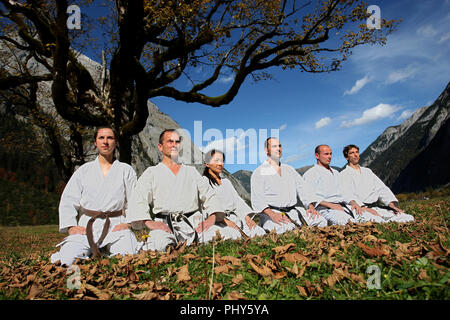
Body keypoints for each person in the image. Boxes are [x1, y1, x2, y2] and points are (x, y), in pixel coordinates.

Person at [126, 129, 240, 252]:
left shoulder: (191, 172)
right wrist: (149, 223)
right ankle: (169, 246)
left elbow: (209, 195)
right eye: (170, 141)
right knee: (158, 243)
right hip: (165, 225)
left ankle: (195, 243)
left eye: (177, 142)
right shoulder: (151, 173)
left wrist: (211, 218)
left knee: (228, 235)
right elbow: (138, 199)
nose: (174, 145)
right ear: (160, 147)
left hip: (194, 223)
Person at [50, 126, 139, 266]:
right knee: (68, 258)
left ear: (116, 142)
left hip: (116, 224)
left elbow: (134, 200)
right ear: (95, 143)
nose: (105, 142)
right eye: (101, 138)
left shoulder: (125, 170)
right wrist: (71, 226)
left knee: (129, 255)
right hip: (87, 225)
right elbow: (69, 199)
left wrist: (128, 223)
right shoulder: (83, 171)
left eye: (110, 138)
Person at [250, 137, 327, 234]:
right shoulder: (259, 172)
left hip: (294, 211)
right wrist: (272, 214)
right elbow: (257, 199)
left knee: (321, 220)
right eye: (274, 146)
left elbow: (303, 189)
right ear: (266, 150)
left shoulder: (289, 169)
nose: (278, 149)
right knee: (286, 230)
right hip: (272, 214)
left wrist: (311, 207)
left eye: (280, 146)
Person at [339, 144, 414, 223]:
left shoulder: (367, 171)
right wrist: (364, 207)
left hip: (375, 207)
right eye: (352, 153)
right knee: (376, 221)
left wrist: (391, 203)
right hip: (359, 208)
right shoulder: (343, 174)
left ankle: (389, 220)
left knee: (408, 217)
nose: (355, 155)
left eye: (357, 152)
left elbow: (381, 188)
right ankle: (386, 221)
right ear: (346, 157)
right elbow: (347, 194)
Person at [203, 149, 266, 238]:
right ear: (207, 163)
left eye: (222, 161)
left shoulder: (226, 182)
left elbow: (238, 202)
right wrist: (224, 220)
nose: (220, 164)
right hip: (219, 221)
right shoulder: (203, 182)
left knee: (259, 232)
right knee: (231, 235)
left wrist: (247, 217)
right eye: (216, 160)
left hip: (236, 218)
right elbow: (207, 207)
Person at [303, 145, 357, 225]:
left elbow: (345, 192)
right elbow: (309, 197)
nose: (329, 157)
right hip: (326, 209)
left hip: (344, 206)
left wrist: (354, 203)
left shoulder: (336, 173)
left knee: (370, 218)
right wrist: (331, 205)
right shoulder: (311, 174)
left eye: (330, 154)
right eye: (326, 154)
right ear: (317, 156)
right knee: (348, 223)